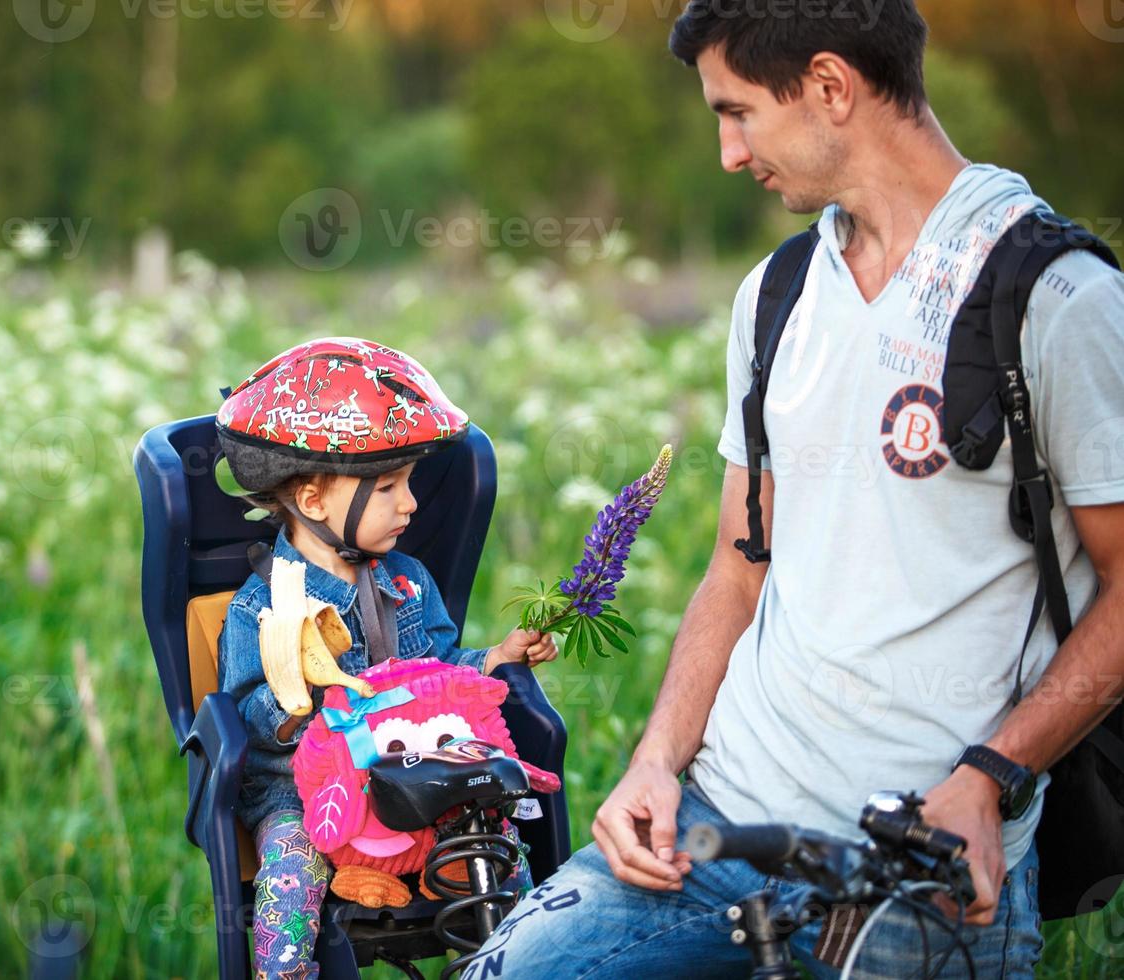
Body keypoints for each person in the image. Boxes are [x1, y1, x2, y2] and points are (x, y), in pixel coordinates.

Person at [479, 2, 1124, 976]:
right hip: (712, 828)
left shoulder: (1057, 296)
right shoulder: (776, 292)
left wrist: (992, 776)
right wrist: (656, 758)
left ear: (830, 87)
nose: (730, 153)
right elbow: (738, 572)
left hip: (925, 864)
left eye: (737, 112)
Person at [215, 337, 559, 979]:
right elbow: (243, 722)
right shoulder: (260, 609)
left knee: (498, 841)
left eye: (410, 483)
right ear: (314, 501)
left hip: (409, 771)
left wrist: (498, 659)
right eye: (389, 488)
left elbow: (439, 672)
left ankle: (519, 960)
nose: (412, 504)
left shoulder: (407, 581)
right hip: (302, 787)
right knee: (290, 866)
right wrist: (295, 695)